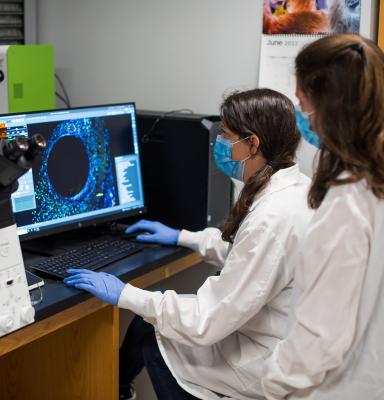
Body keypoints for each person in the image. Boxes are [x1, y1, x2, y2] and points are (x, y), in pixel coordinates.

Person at [65, 88, 314, 399]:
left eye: (225, 135)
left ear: (253, 144)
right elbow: (249, 255)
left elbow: (205, 320)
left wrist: (124, 293)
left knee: (151, 334)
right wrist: (182, 236)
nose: (220, 145)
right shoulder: (296, 188)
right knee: (149, 323)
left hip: (259, 362)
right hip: (272, 338)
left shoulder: (272, 216)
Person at [260, 34, 384, 399]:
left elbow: (318, 341)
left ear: (332, 107)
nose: (300, 112)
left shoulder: (349, 200)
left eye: (302, 102)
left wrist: (272, 382)